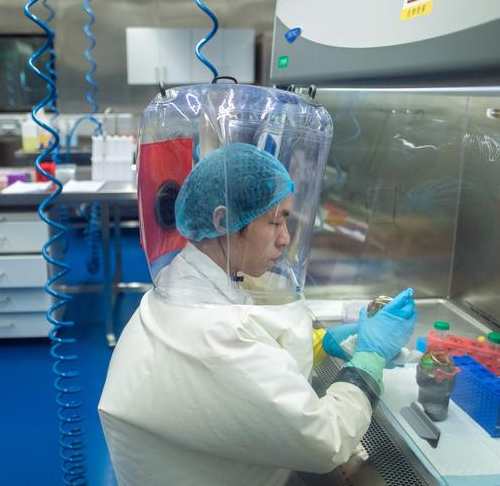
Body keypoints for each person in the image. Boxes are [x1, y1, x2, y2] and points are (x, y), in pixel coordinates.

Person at [98, 143, 417, 486]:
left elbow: (239, 370)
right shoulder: (216, 336)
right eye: (274, 221)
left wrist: (319, 343)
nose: (284, 239)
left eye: (287, 220)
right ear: (223, 221)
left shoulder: (186, 281)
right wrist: (370, 358)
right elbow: (327, 441)